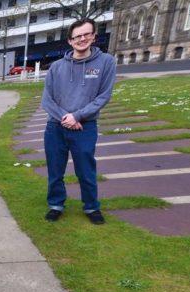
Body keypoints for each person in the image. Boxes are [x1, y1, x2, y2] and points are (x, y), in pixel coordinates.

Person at [41, 18, 116, 225]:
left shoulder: (106, 62)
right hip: (56, 127)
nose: (82, 39)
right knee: (55, 170)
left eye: (86, 35)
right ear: (70, 40)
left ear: (93, 36)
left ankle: (91, 207)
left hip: (85, 127)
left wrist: (78, 116)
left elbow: (103, 96)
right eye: (77, 36)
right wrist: (67, 118)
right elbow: (47, 99)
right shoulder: (56, 67)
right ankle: (56, 204)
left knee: (86, 170)